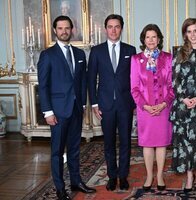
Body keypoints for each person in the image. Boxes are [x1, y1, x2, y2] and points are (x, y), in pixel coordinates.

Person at [37, 15, 96, 200]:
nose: (64, 31)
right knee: (57, 151)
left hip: (76, 109)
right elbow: (43, 85)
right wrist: (48, 112)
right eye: (60, 28)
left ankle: (76, 181)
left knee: (74, 149)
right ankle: (60, 187)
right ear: (55, 31)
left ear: (72, 30)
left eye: (67, 28)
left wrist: (83, 104)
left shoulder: (79, 55)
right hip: (57, 112)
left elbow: (82, 82)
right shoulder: (47, 55)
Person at [88, 14, 136, 191]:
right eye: (110, 26)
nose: (113, 30)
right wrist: (94, 103)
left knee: (125, 142)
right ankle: (112, 176)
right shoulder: (96, 51)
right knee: (108, 143)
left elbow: (135, 78)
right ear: (105, 29)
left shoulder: (130, 50)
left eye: (117, 26)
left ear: (121, 28)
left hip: (125, 104)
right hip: (105, 105)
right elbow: (91, 79)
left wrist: (135, 103)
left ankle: (123, 176)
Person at [130, 24, 174, 191]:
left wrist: (164, 104)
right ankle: (149, 176)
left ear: (159, 39)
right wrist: (145, 106)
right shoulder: (136, 59)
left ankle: (160, 176)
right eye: (148, 37)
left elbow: (172, 86)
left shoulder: (168, 58)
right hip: (145, 110)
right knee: (148, 144)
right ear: (143, 39)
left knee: (161, 144)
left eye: (154, 37)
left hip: (163, 108)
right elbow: (134, 88)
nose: (151, 40)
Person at [170, 18, 196, 194]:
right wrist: (183, 99)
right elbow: (175, 80)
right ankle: (190, 177)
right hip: (184, 107)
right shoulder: (180, 53)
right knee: (185, 143)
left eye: (195, 30)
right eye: (189, 31)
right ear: (185, 34)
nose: (193, 35)